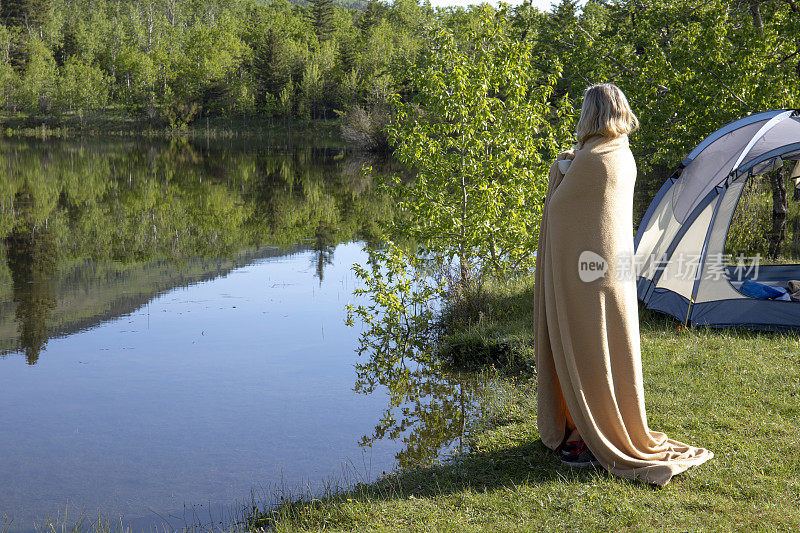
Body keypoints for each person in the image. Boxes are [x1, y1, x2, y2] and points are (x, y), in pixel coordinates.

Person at [533, 83, 713, 487]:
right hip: (613, 274)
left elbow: (561, 211)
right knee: (608, 348)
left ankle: (586, 435)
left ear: (590, 114)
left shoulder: (591, 160)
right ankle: (604, 424)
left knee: (587, 349)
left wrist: (560, 171)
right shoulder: (622, 153)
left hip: (587, 277)